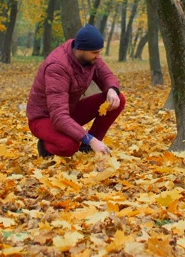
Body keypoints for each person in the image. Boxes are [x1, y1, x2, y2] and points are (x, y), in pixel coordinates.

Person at [27, 24, 126, 158]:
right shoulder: (57, 67)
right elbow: (58, 116)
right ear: (80, 49)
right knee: (69, 146)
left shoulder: (90, 57)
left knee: (118, 99)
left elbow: (106, 76)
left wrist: (112, 90)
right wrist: (90, 139)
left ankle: (88, 148)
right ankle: (45, 146)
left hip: (68, 111)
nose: (98, 56)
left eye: (99, 52)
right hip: (44, 118)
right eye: (95, 52)